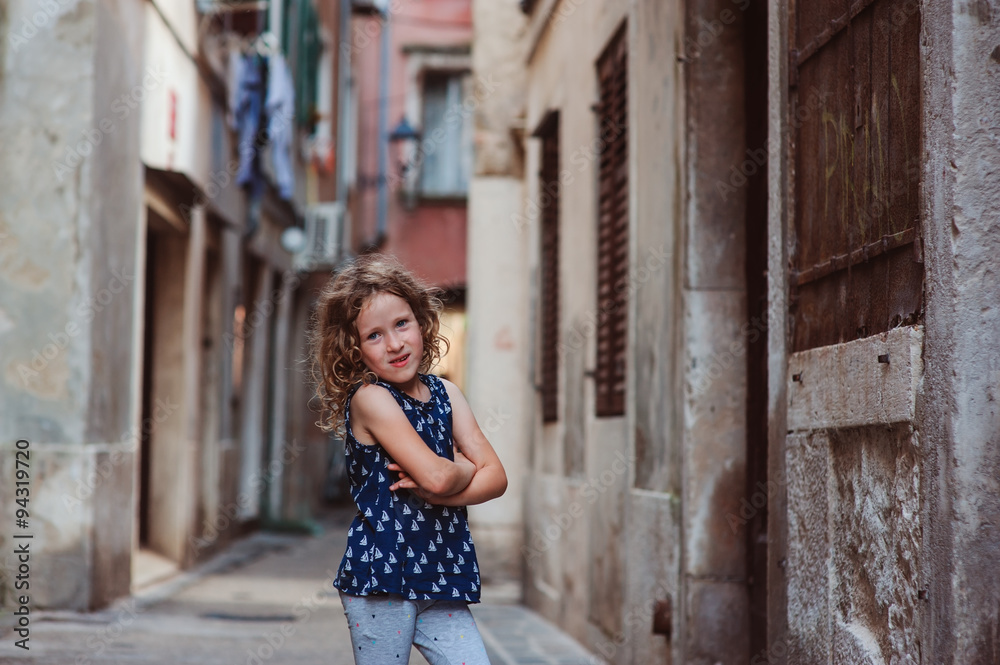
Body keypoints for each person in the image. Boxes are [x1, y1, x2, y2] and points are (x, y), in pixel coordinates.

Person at [310, 253, 507, 665]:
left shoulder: (447, 395)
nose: (395, 344)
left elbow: (498, 479)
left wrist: (448, 488)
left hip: (442, 574)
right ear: (355, 349)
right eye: (374, 336)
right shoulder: (372, 399)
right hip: (384, 579)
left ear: (421, 322)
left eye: (402, 324)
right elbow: (438, 476)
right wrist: (466, 467)